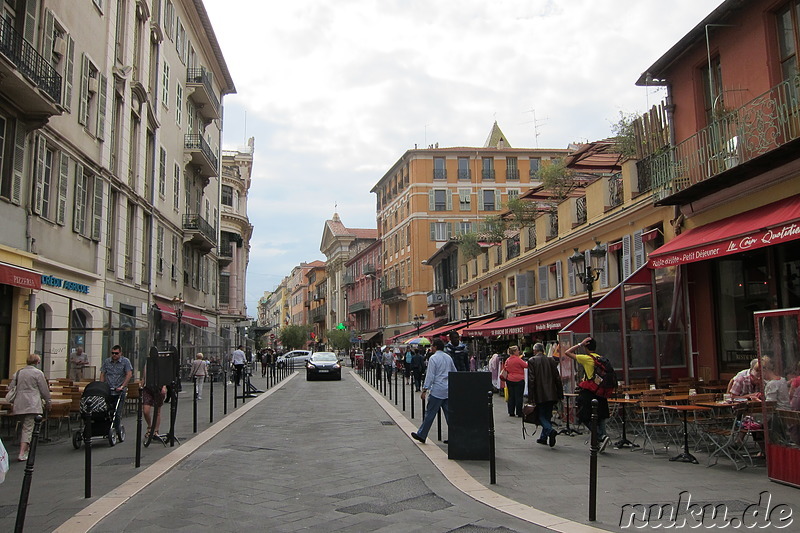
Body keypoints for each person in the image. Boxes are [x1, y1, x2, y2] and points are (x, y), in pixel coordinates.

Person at [564, 337, 611, 452]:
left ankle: (601, 436)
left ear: (586, 347)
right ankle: (601, 441)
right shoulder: (601, 358)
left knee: (584, 416)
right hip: (601, 391)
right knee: (600, 416)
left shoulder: (587, 358)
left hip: (590, 391)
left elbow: (567, 352)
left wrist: (580, 344)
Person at [411, 338, 457, 444]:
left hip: (437, 390)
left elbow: (430, 375)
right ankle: (455, 435)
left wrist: (424, 389)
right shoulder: (448, 357)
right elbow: (454, 371)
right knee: (450, 415)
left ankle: (422, 434)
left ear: (435, 347)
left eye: (432, 346)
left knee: (430, 414)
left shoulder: (433, 358)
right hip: (447, 389)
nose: (431, 348)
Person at [7, 354, 51, 461]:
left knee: (25, 427)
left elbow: (11, 387)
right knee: (28, 428)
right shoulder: (38, 373)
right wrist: (48, 401)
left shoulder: (18, 373)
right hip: (32, 404)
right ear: (37, 362)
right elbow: (44, 389)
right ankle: (22, 452)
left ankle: (27, 448)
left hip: (19, 404)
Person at [527, 343, 563, 446]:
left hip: (540, 393)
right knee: (547, 415)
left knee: (540, 415)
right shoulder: (551, 360)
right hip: (552, 393)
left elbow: (531, 380)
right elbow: (557, 378)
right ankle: (543, 437)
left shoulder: (532, 361)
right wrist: (560, 393)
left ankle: (550, 431)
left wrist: (530, 397)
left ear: (534, 351)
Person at [99, 345, 132, 429]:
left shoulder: (125, 361)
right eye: (112, 353)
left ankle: (116, 429)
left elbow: (129, 374)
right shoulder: (107, 361)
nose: (114, 355)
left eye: (116, 353)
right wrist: (101, 385)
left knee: (117, 413)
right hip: (108, 390)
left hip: (119, 390)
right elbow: (103, 373)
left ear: (120, 353)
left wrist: (122, 386)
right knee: (105, 411)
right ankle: (106, 428)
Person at [503, 346, 528, 417]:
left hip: (509, 379)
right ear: (514, 352)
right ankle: (519, 412)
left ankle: (511, 411)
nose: (518, 352)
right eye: (517, 350)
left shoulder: (508, 360)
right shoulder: (518, 360)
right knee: (519, 396)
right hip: (519, 379)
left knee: (511, 396)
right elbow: (526, 365)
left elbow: (505, 368)